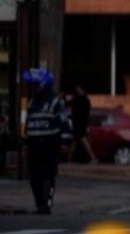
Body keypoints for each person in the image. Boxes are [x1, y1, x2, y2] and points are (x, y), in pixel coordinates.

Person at [22, 69, 71, 214]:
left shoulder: (56, 101)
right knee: (34, 176)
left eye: (35, 84)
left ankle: (46, 205)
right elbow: (29, 123)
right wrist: (25, 144)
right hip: (34, 143)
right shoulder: (33, 102)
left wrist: (65, 142)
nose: (33, 88)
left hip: (50, 143)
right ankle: (39, 204)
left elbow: (63, 122)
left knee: (48, 175)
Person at [67, 85, 97, 164]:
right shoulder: (85, 99)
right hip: (81, 123)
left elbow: (67, 104)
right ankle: (69, 159)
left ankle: (92, 157)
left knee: (81, 140)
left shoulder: (77, 99)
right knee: (77, 141)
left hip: (78, 123)